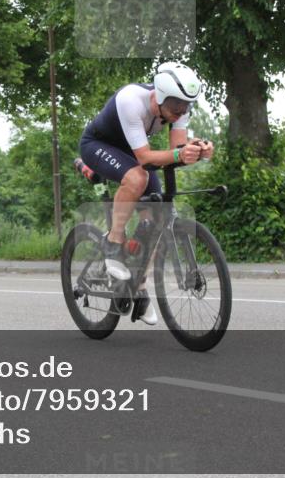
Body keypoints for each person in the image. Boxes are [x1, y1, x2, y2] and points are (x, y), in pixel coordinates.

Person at [79, 62, 215, 325]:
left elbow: (176, 150)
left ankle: (139, 285)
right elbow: (143, 157)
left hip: (133, 150)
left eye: (187, 106)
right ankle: (113, 240)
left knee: (156, 218)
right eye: (177, 107)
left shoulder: (179, 108)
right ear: (161, 97)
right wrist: (179, 153)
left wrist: (197, 150)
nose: (182, 111)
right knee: (137, 176)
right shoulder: (132, 100)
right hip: (98, 145)